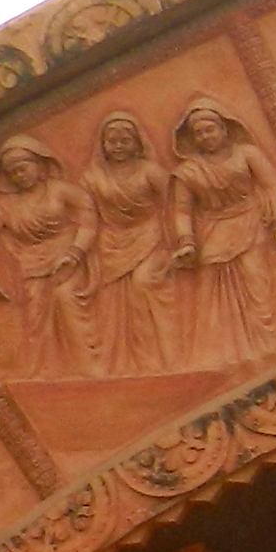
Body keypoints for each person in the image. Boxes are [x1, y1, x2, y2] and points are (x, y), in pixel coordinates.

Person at [165, 97, 276, 364]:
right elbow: (181, 211)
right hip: (212, 233)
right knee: (211, 294)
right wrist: (187, 243)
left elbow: (273, 185)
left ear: (224, 128)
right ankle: (223, 355)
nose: (206, 137)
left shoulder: (247, 154)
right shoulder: (188, 171)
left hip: (249, 222)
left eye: (210, 129)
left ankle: (268, 345)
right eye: (198, 133)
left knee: (256, 284)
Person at [0, 134, 95, 374]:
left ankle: (89, 367)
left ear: (40, 164)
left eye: (22, 168)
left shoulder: (61, 191)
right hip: (33, 267)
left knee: (66, 300)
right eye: (12, 173)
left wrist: (74, 253)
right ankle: (47, 373)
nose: (19, 176)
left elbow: (89, 221)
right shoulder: (7, 206)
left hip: (69, 260)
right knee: (36, 319)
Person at [81, 113, 183, 374]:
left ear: (137, 143)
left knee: (144, 282)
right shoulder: (91, 179)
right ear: (102, 144)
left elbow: (175, 204)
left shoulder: (150, 172)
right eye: (112, 141)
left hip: (151, 237)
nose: (117, 146)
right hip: (111, 245)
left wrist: (179, 239)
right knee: (114, 304)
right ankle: (133, 364)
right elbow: (85, 217)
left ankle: (168, 356)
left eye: (124, 141)